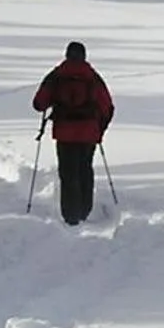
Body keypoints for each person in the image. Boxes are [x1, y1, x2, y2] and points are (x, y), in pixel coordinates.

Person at [32, 40, 114, 225]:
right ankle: (84, 211)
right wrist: (99, 130)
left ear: (67, 55)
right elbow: (107, 106)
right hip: (89, 134)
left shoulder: (57, 75)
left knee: (68, 174)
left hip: (64, 133)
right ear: (84, 56)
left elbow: (39, 104)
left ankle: (71, 216)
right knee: (85, 170)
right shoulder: (92, 77)